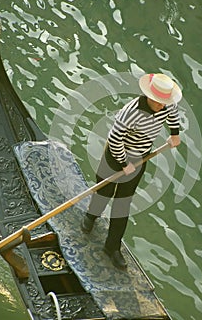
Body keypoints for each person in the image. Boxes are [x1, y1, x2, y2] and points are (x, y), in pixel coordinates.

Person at [81, 73, 182, 269]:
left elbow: (173, 115)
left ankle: (112, 247)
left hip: (140, 158)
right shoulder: (130, 113)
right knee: (104, 192)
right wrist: (124, 163)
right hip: (115, 156)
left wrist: (175, 134)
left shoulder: (167, 104)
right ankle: (91, 216)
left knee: (122, 204)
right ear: (150, 98)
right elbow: (115, 139)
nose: (164, 106)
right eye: (160, 102)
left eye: (165, 102)